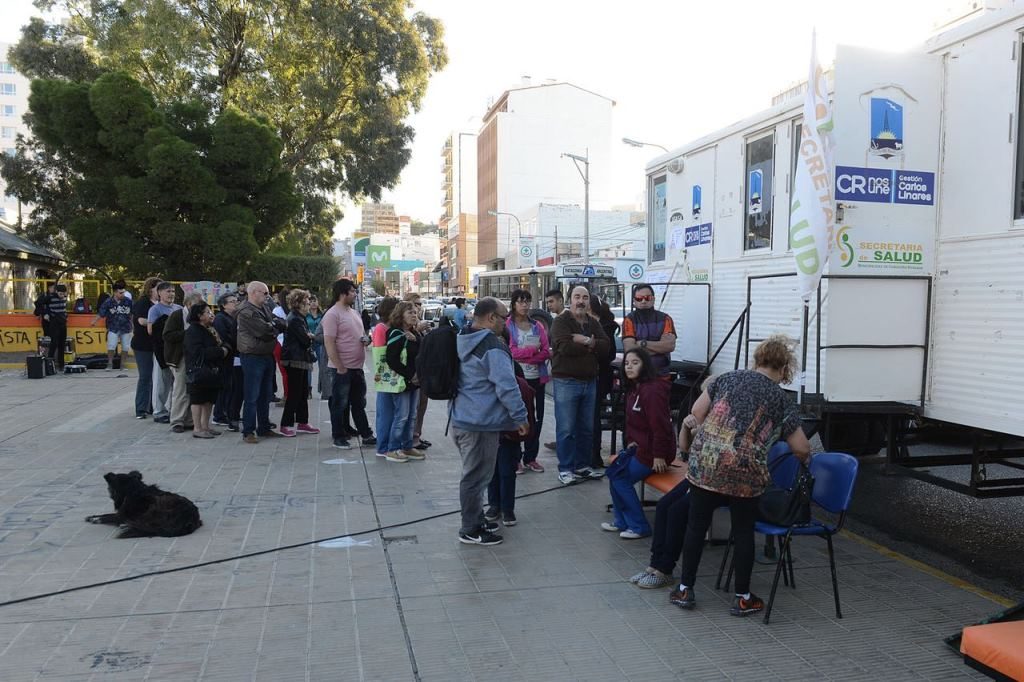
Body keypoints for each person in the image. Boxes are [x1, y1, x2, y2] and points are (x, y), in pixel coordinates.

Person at [670, 335, 812, 617]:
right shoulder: (781, 401)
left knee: (696, 527)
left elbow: (696, 415)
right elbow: (801, 448)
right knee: (744, 531)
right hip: (745, 473)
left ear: (757, 360)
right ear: (785, 369)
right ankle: (743, 598)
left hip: (705, 465)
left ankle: (685, 589)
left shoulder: (726, 379)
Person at [450, 298, 529, 546]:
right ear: (491, 317)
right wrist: (520, 416)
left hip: (462, 417)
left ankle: (476, 518)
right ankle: (470, 529)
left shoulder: (464, 336)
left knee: (475, 476)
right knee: (475, 478)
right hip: (480, 423)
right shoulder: (492, 346)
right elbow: (507, 385)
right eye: (504, 317)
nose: (507, 322)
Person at [628, 374, 715, 590]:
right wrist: (686, 428)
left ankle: (665, 569)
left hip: (712, 482)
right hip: (696, 477)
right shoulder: (704, 419)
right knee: (665, 505)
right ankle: (655, 564)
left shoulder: (723, 422)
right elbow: (684, 449)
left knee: (677, 511)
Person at [601, 348, 675, 541]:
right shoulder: (636, 388)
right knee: (614, 473)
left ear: (645, 365)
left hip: (656, 451)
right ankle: (621, 521)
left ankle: (639, 526)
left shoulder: (652, 390)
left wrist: (659, 455)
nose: (629, 367)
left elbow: (661, 425)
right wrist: (631, 442)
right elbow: (634, 422)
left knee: (621, 479)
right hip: (641, 447)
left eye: (635, 363)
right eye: (627, 363)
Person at [549, 286, 611, 485]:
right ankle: (566, 469)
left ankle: (583, 466)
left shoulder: (593, 323)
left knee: (586, 428)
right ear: (570, 300)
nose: (581, 301)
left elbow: (606, 346)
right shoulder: (561, 321)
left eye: (585, 297)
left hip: (590, 382)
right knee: (567, 429)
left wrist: (584, 341)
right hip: (566, 382)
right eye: (577, 297)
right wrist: (590, 343)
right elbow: (564, 347)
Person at [322, 278, 375, 449]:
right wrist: (340, 366)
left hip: (357, 367)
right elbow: (329, 343)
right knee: (339, 404)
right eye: (352, 291)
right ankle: (338, 436)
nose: (355, 294)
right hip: (342, 368)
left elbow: (357, 334)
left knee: (359, 403)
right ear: (342, 293)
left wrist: (366, 340)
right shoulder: (332, 314)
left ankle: (366, 434)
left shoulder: (353, 312)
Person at [236, 281, 287, 443]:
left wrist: (273, 325)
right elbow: (263, 330)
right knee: (252, 395)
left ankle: (264, 427)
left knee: (265, 394)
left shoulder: (263, 308)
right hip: (252, 356)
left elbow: (280, 323)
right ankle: (248, 430)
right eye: (264, 293)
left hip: (266, 354)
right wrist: (273, 326)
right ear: (253, 293)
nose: (268, 296)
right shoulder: (246, 311)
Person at [506, 289, 550, 474]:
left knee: (536, 418)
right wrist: (532, 352)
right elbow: (511, 351)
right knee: (517, 417)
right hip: (517, 378)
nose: (524, 305)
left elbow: (546, 350)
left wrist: (530, 357)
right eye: (521, 301)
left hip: (537, 378)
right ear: (514, 304)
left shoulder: (537, 325)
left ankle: (531, 457)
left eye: (527, 301)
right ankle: (516, 459)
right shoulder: (508, 325)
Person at [379, 301, 425, 462]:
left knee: (412, 415)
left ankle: (407, 446)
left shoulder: (415, 333)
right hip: (403, 382)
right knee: (402, 416)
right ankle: (393, 448)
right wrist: (409, 375)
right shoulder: (396, 333)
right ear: (401, 316)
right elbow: (392, 360)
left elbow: (423, 352)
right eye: (410, 312)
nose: (414, 315)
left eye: (415, 312)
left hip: (415, 382)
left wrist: (416, 340)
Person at [184, 302, 228, 439]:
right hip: (198, 371)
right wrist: (220, 351)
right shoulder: (193, 331)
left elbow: (220, 342)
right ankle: (197, 428)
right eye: (207, 312)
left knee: (209, 399)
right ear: (199, 316)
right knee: (198, 399)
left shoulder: (209, 329)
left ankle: (205, 426)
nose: (211, 315)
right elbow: (198, 352)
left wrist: (224, 348)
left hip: (211, 370)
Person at [279, 289, 320, 437]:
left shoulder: (299, 317)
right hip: (294, 359)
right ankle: (285, 424)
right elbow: (304, 339)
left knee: (303, 392)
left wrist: (308, 336)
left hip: (299, 359)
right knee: (295, 393)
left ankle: (303, 422)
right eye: (307, 302)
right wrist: (310, 336)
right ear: (300, 303)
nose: (309, 304)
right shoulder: (295, 318)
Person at [164, 292, 204, 433]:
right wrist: (188, 333)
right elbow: (167, 335)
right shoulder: (177, 315)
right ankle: (177, 421)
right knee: (180, 390)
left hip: (193, 357)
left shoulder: (199, 317)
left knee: (192, 389)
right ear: (188, 304)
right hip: (179, 357)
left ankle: (189, 419)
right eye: (197, 305)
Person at [590, 294, 620, 468]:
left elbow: (608, 354)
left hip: (600, 377)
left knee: (592, 415)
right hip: (589, 375)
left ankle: (594, 456)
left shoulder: (605, 327)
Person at [622, 284, 677, 377]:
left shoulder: (665, 319)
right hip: (637, 375)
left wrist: (642, 344)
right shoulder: (629, 320)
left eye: (647, 297)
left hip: (661, 374)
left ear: (653, 299)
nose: (643, 301)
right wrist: (659, 348)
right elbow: (629, 348)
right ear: (634, 301)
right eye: (639, 298)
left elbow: (669, 346)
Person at [147, 282, 180, 424]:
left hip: (178, 352)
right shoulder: (155, 310)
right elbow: (151, 330)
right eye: (168, 291)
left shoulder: (179, 308)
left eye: (173, 291)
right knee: (162, 383)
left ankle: (175, 410)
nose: (171, 293)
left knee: (177, 384)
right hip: (162, 351)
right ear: (159, 293)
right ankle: (159, 411)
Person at [371, 297, 400, 457]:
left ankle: (391, 444)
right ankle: (383, 446)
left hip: (394, 375)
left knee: (394, 411)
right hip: (385, 375)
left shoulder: (392, 327)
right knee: (386, 411)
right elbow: (381, 352)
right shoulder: (381, 328)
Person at [131, 277, 161, 419]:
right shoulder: (142, 303)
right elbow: (141, 320)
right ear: (150, 289)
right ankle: (141, 408)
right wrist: (156, 322)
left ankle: (151, 406)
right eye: (158, 288)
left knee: (157, 377)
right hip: (143, 345)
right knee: (145, 376)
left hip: (157, 344)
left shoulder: (162, 304)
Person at [212, 291, 241, 431]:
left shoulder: (234, 317)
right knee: (224, 385)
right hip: (226, 356)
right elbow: (224, 337)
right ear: (223, 305)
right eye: (232, 302)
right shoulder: (220, 318)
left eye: (236, 301)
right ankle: (219, 414)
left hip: (235, 356)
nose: (236, 303)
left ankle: (229, 412)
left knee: (232, 386)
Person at [91, 282, 133, 371]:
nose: (122, 294)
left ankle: (123, 365)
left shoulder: (128, 301)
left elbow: (133, 313)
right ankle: (110, 364)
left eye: (123, 292)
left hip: (126, 327)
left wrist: (133, 325)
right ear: (115, 292)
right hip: (113, 327)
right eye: (120, 293)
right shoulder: (108, 301)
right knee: (111, 345)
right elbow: (101, 312)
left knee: (125, 347)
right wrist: (94, 321)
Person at [42, 284, 69, 369]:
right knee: (54, 343)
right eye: (60, 294)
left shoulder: (64, 298)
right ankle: (49, 363)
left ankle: (61, 364)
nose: (62, 296)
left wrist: (65, 315)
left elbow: (64, 308)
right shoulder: (50, 298)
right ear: (56, 292)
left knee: (62, 344)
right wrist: (45, 313)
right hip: (54, 322)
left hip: (63, 322)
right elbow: (40, 304)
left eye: (63, 294)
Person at [272, 288, 290, 403]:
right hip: (288, 343)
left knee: (284, 373)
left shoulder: (276, 311)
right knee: (290, 373)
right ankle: (289, 396)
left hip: (279, 343)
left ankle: (286, 396)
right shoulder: (294, 311)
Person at [306, 295, 324, 400]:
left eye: (315, 301)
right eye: (311, 301)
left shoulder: (322, 315)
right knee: (309, 368)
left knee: (323, 366)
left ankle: (322, 388)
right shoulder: (306, 315)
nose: (313, 303)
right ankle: (308, 390)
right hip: (309, 343)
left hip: (320, 343)